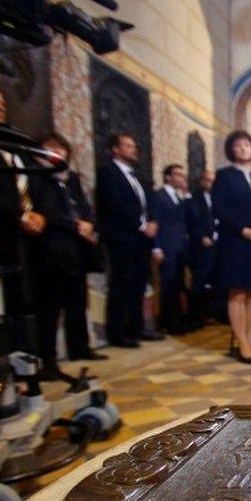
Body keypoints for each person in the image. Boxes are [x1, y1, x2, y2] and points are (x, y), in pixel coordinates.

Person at [29, 132, 105, 373]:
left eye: (62, 149)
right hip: (52, 249)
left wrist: (90, 223)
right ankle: (48, 359)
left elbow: (83, 206)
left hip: (76, 250)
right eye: (52, 148)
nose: (58, 153)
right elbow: (46, 210)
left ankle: (80, 346)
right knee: (50, 306)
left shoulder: (70, 178)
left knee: (77, 302)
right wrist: (76, 226)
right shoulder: (37, 176)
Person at [0, 83, 46, 352]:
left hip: (27, 236)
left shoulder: (11, 145)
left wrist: (38, 215)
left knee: (27, 300)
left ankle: (30, 357)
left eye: (2, 102)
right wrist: (19, 216)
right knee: (4, 302)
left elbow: (29, 187)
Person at [96, 132, 163, 348]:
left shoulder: (137, 177)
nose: (133, 149)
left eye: (134, 146)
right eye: (128, 145)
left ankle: (137, 328)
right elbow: (116, 205)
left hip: (141, 239)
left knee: (138, 286)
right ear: (115, 149)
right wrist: (142, 225)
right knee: (120, 285)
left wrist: (152, 222)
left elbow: (146, 205)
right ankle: (117, 333)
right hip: (122, 237)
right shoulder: (108, 173)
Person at [213, 130, 251, 364]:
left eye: (247, 144)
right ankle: (242, 343)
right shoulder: (224, 176)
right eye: (238, 145)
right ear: (231, 150)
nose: (244, 148)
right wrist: (242, 229)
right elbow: (219, 209)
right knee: (238, 292)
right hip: (235, 240)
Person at [148, 164, 190, 335]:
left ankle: (176, 320)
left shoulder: (179, 197)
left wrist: (186, 194)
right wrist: (156, 247)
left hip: (180, 247)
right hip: (166, 247)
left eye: (183, 175)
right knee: (168, 286)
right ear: (167, 177)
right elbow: (154, 221)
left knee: (177, 285)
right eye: (178, 174)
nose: (181, 178)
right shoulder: (159, 196)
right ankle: (169, 323)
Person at [186, 170, 217, 327]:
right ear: (202, 182)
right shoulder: (193, 200)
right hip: (201, 248)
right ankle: (194, 317)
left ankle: (211, 313)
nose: (211, 184)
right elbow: (192, 223)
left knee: (214, 282)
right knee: (199, 282)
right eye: (208, 180)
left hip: (218, 246)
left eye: (213, 181)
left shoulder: (218, 198)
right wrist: (201, 237)